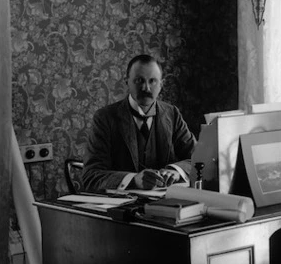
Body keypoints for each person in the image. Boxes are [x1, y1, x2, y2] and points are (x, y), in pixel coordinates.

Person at [82, 54, 196, 192]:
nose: (146, 88)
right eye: (139, 80)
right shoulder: (105, 118)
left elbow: (197, 159)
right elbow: (91, 176)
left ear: (162, 84)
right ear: (127, 82)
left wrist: (176, 171)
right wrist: (133, 180)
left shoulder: (172, 114)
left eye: (152, 81)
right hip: (120, 206)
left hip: (164, 205)